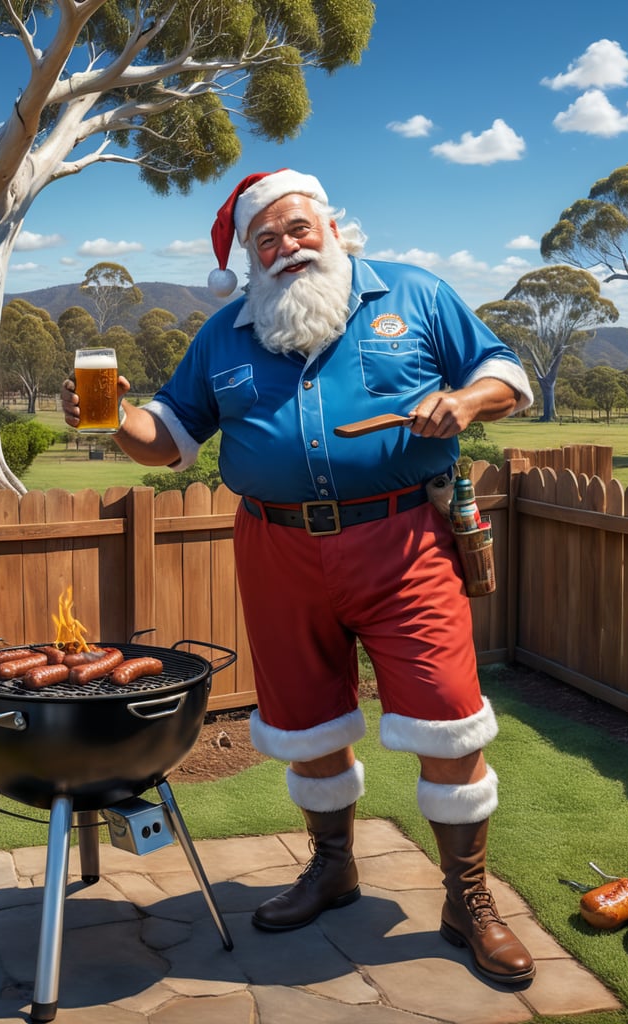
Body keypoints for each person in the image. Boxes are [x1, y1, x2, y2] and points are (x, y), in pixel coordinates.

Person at [62, 169, 536, 985]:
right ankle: (332, 867)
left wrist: (463, 402)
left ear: (331, 225)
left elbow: (504, 371)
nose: (285, 247)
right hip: (278, 551)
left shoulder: (415, 295)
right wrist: (110, 421)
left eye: (296, 228)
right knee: (305, 721)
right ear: (248, 257)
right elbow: (167, 435)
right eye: (265, 239)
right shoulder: (226, 334)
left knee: (447, 720)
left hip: (406, 545)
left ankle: (468, 900)